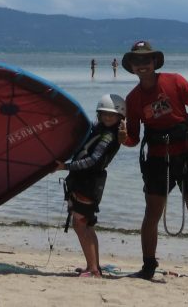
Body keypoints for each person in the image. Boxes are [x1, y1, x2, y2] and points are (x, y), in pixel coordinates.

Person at [121, 40, 188, 284]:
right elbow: (134, 138)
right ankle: (148, 267)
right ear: (132, 67)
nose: (142, 65)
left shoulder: (175, 81)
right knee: (152, 213)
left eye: (146, 60)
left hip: (187, 155)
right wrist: (123, 139)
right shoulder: (133, 99)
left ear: (154, 62)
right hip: (157, 160)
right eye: (137, 61)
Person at [55, 94, 127, 278]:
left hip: (89, 182)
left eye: (112, 115)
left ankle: (94, 270)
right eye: (104, 114)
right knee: (85, 224)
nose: (107, 118)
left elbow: (94, 161)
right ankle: (92, 266)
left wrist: (66, 167)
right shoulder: (98, 129)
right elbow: (84, 133)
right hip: (83, 181)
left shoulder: (110, 136)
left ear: (120, 117)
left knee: (81, 223)